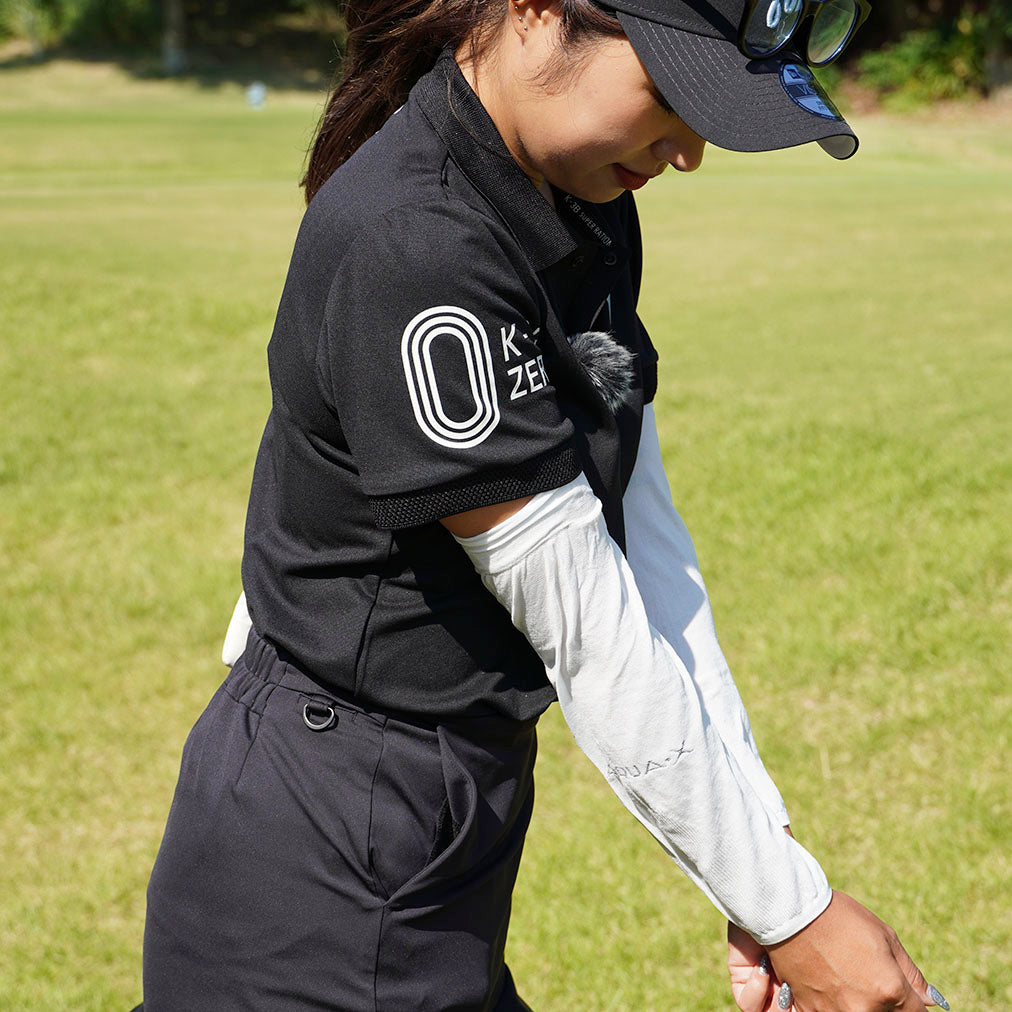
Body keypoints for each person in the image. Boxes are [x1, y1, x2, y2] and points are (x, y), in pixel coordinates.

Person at [140, 0, 950, 1009]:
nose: (690, 150)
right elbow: (586, 626)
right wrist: (797, 914)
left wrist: (766, 867)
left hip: (444, 810)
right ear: (532, 11)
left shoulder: (581, 203)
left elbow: (648, 550)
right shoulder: (419, 244)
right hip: (325, 842)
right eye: (672, 94)